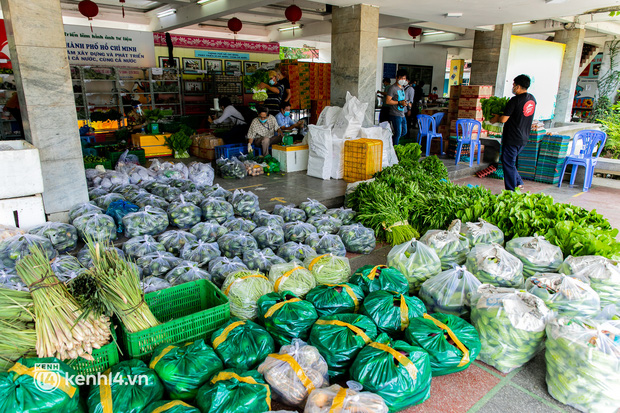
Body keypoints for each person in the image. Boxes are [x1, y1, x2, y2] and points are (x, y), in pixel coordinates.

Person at [493, 74, 537, 191]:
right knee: (509, 161)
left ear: (518, 86)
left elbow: (503, 119)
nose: (512, 87)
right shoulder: (532, 99)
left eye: (513, 85)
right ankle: (518, 182)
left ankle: (511, 190)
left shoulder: (515, 100)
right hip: (523, 138)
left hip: (512, 137)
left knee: (508, 163)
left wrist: (496, 117)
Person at [385, 69, 409, 145]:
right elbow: (388, 101)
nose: (403, 80)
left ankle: (391, 141)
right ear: (397, 78)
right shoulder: (392, 88)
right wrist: (399, 102)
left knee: (404, 132)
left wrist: (405, 103)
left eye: (404, 78)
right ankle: (394, 148)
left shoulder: (402, 88)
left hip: (402, 113)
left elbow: (401, 99)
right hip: (395, 114)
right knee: (398, 133)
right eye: (401, 78)